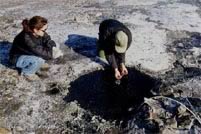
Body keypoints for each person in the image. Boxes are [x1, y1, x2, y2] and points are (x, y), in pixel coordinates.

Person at [9, 16, 56, 80]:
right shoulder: (26, 38)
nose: (45, 32)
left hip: (28, 54)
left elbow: (47, 38)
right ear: (35, 29)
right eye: (44, 30)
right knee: (38, 60)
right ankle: (27, 73)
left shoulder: (37, 32)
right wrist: (51, 50)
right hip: (16, 58)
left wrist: (51, 44)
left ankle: (35, 66)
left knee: (43, 56)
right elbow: (45, 54)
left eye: (46, 29)